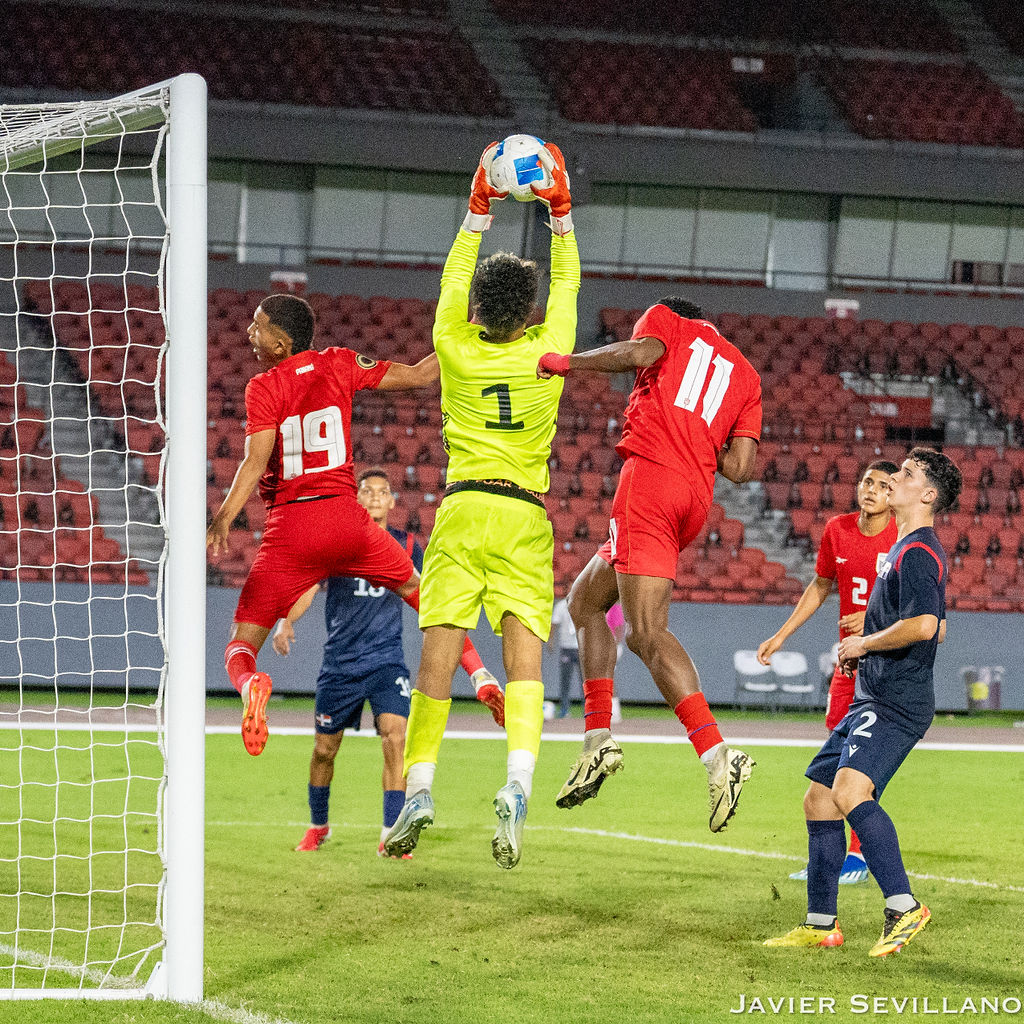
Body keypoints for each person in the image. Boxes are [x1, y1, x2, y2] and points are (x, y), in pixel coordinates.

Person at [383, 139, 579, 869]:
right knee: (524, 657)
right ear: (529, 312)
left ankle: (419, 789)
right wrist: (560, 214)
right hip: (523, 514)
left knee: (438, 655)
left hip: (463, 508)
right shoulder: (548, 350)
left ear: (474, 310)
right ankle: (518, 784)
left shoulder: (454, 345)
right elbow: (569, 284)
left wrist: (477, 209)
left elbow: (452, 278)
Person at [206, 294, 501, 757]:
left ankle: (250, 687)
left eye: (257, 326)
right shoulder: (340, 362)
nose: (249, 332)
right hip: (347, 521)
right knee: (422, 594)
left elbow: (254, 460)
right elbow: (421, 374)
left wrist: (224, 516)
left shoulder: (262, 386)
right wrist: (473, 333)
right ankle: (480, 674)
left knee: (240, 645)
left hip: (291, 530)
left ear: (280, 345)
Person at [537, 297, 761, 832]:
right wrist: (699, 435)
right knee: (584, 603)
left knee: (645, 632)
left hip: (651, 480)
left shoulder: (667, 320)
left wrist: (565, 362)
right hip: (694, 498)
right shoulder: (747, 375)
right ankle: (597, 738)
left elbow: (640, 353)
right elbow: (740, 467)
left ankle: (717, 755)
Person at [765, 447, 961, 958]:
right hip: (872, 694)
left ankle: (903, 906)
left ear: (928, 495)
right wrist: (867, 648)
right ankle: (821, 923)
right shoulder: (902, 547)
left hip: (896, 701)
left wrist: (865, 643)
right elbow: (933, 625)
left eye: (907, 475)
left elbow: (928, 626)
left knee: (851, 790)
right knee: (819, 798)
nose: (894, 479)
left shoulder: (918, 551)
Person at [273, 466, 504, 856]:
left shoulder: (407, 545)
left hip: (386, 662)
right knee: (324, 750)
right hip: (340, 664)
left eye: (382, 492)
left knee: (396, 738)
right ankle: (318, 826)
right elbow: (308, 586)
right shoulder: (338, 544)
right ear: (357, 499)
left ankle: (389, 835)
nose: (375, 497)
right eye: (367, 491)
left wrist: (470, 663)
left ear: (393, 501)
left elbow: (429, 601)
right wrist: (286, 620)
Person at [756, 460, 899, 885]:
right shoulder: (838, 529)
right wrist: (781, 635)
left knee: (862, 761)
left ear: (894, 495)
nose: (871, 489)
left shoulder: (902, 537)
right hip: (847, 666)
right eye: (867, 481)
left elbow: (919, 610)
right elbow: (820, 585)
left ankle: (858, 854)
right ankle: (830, 859)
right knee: (834, 762)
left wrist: (871, 620)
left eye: (883, 485)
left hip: (885, 669)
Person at [550, 597, 581, 718]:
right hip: (566, 647)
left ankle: (587, 709)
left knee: (585, 681)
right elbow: (554, 624)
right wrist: (551, 641)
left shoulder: (582, 602)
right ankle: (564, 709)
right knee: (565, 680)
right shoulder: (561, 606)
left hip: (581, 647)